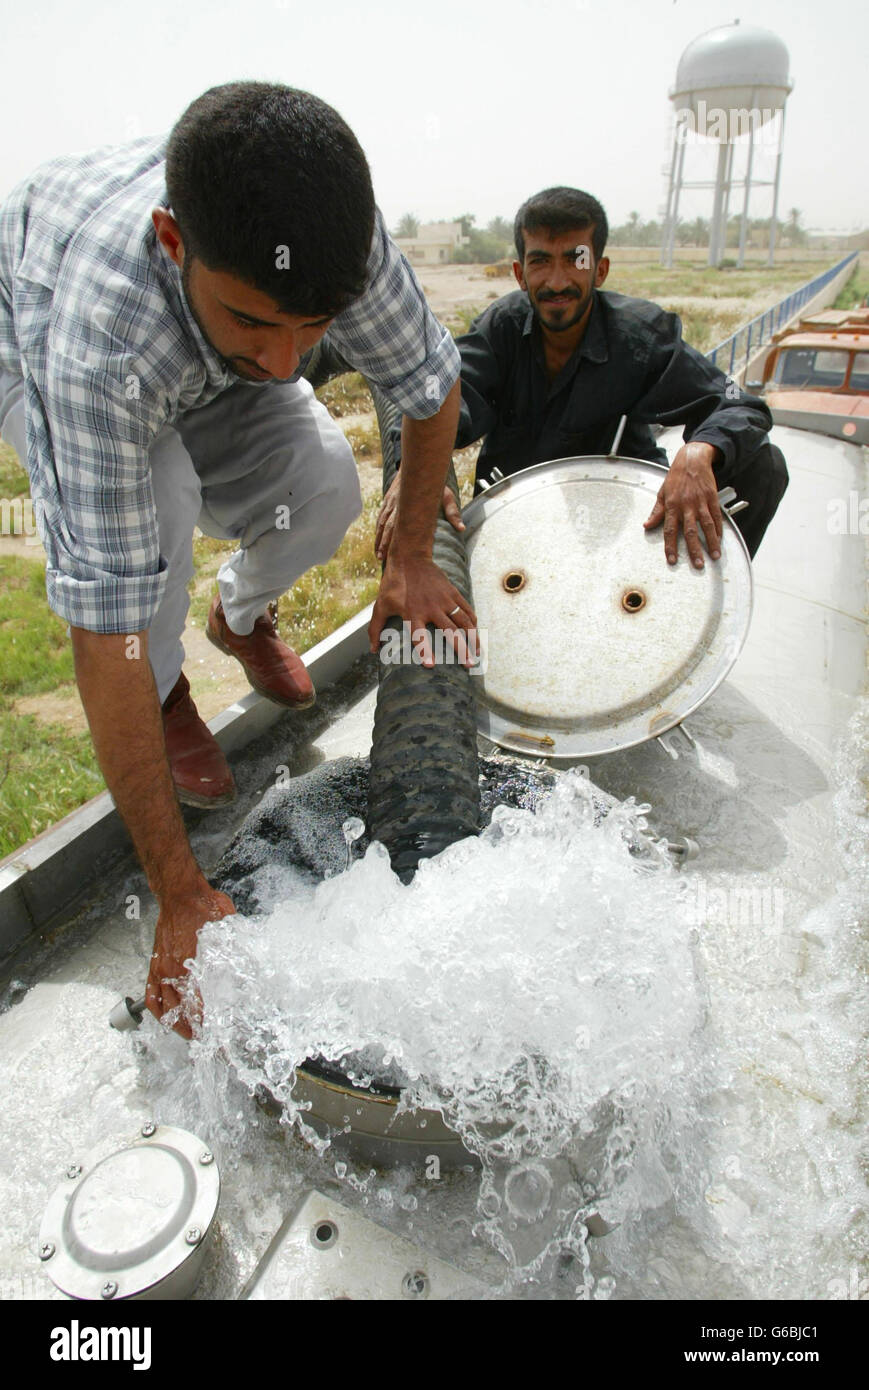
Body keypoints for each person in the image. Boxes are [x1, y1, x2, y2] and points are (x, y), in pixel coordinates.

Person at [0, 82, 476, 1035]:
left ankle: (240, 618)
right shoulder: (102, 343)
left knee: (328, 478)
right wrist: (179, 893)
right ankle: (174, 690)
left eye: (316, 327)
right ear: (176, 244)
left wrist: (412, 553)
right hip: (38, 335)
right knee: (162, 500)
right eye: (260, 321)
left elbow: (429, 389)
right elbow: (104, 627)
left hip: (197, 343)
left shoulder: (339, 247)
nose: (293, 361)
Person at [376, 186, 788, 568]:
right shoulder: (499, 329)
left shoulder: (640, 336)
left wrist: (699, 452)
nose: (557, 282)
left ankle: (694, 596)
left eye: (575, 260)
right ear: (520, 275)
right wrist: (409, 472)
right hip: (518, 518)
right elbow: (437, 396)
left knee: (765, 464)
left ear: (601, 269)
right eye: (540, 262)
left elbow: (738, 404)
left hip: (623, 523)